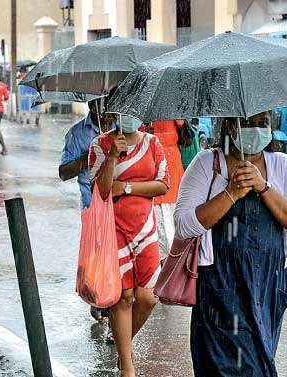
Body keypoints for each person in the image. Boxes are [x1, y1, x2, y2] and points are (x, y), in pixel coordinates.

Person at [174, 112, 287, 377]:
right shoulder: (207, 163)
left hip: (269, 288)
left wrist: (263, 187)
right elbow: (183, 224)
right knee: (237, 368)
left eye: (262, 124)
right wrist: (231, 193)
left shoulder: (281, 165)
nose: (255, 129)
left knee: (257, 361)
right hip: (221, 289)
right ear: (230, 125)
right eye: (248, 123)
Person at [89, 115, 169, 377]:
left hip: (145, 229)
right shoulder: (99, 144)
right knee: (122, 297)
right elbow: (101, 190)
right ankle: (127, 366)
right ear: (113, 114)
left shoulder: (153, 143)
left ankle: (123, 343)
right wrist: (112, 156)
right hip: (113, 229)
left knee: (148, 297)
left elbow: (162, 185)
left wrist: (127, 188)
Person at [59, 98, 113, 323]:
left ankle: (111, 301)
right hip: (92, 205)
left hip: (119, 202)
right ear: (92, 106)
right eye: (101, 104)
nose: (106, 109)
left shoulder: (122, 128)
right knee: (97, 256)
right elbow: (63, 172)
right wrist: (90, 156)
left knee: (115, 257)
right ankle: (97, 300)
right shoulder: (77, 133)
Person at [152, 120, 184, 259]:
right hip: (153, 173)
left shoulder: (173, 108)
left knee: (172, 230)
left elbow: (186, 138)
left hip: (173, 171)